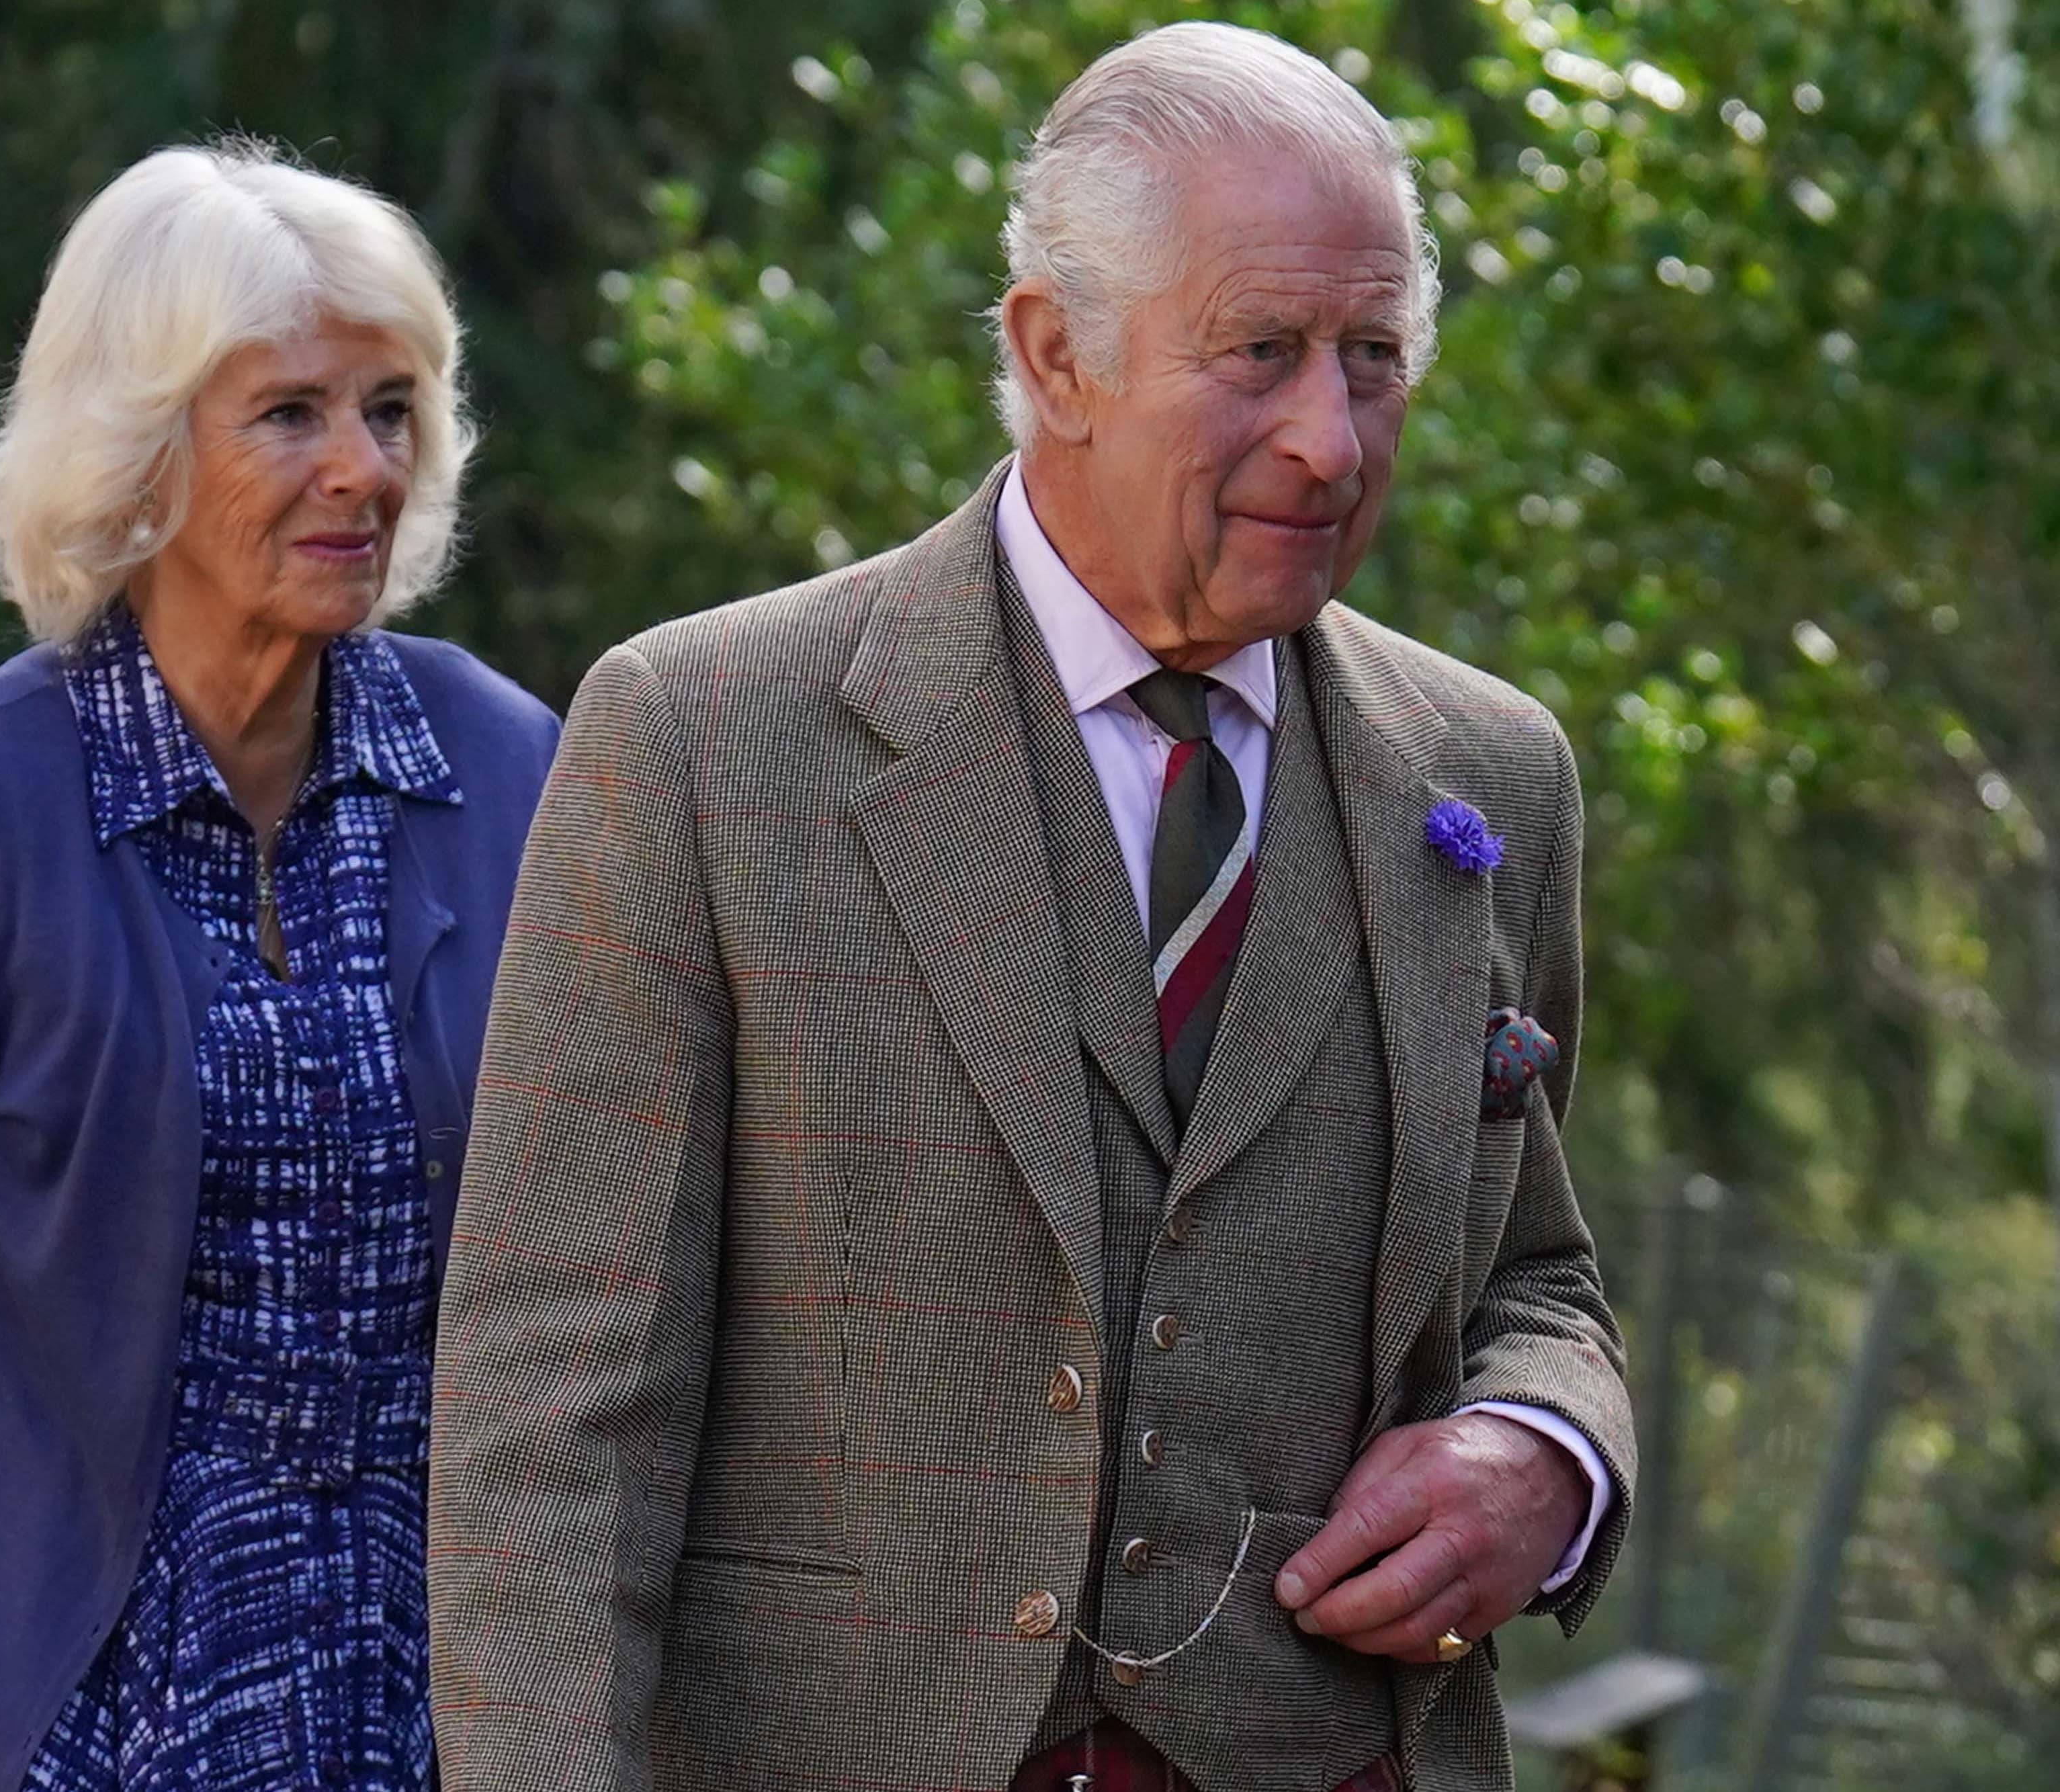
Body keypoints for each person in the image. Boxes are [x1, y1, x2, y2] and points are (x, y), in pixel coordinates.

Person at [429, 23, 1635, 1792]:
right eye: (1264, 353)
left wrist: (1549, 1448)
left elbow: (1539, 1265)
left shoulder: (1487, 776)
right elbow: (556, 1422)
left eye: (1374, 359)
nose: (1331, 437)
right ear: (1055, 354)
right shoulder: (704, 739)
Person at [0, 142, 558, 1792]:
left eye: (390, 408)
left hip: (420, 1693)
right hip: (66, 1689)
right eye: (290, 412)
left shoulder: (501, 763)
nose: (361, 469)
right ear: (142, 448)